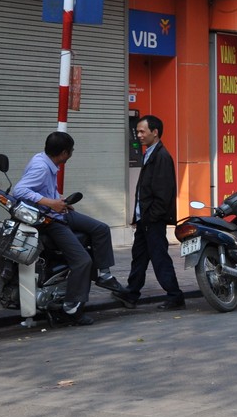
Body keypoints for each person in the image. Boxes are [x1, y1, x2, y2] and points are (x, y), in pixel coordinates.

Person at [11, 132, 125, 325]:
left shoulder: (44, 160)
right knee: (83, 261)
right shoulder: (41, 167)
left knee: (101, 228)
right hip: (49, 220)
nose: (71, 155)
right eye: (71, 151)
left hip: (59, 211)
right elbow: (19, 191)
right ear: (64, 153)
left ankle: (105, 275)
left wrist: (59, 200)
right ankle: (72, 308)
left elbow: (43, 190)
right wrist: (51, 203)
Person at [118, 115, 183, 310]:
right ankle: (131, 294)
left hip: (152, 220)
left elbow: (163, 194)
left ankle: (175, 296)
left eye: (142, 131)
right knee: (139, 257)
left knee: (159, 257)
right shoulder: (150, 153)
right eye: (137, 131)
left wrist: (150, 217)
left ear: (154, 132)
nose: (138, 135)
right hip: (145, 219)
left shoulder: (161, 156)